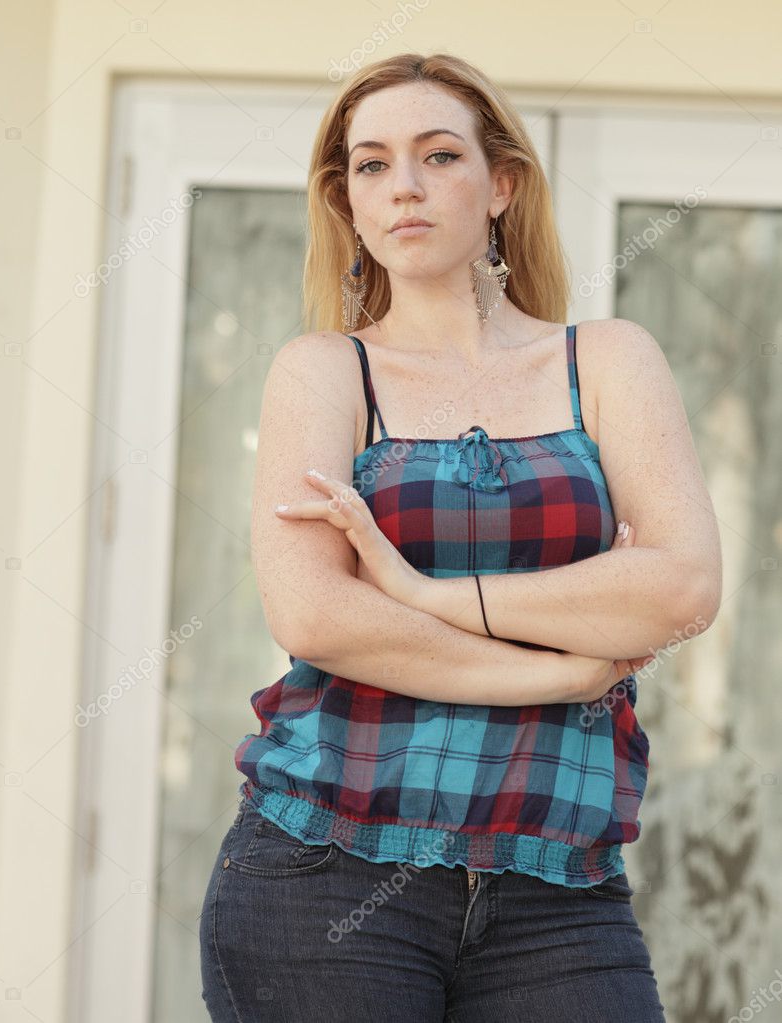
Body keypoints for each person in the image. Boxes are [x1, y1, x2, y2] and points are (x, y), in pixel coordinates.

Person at [199, 51, 722, 1021]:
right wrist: (555, 670)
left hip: (555, 888)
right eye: (369, 165)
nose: (402, 185)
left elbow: (680, 587)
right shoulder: (324, 373)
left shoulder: (602, 360)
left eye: (437, 156)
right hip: (324, 871)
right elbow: (315, 614)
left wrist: (425, 593)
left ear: (501, 185)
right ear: (346, 201)